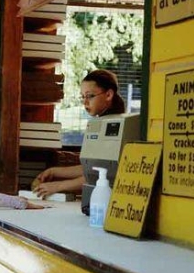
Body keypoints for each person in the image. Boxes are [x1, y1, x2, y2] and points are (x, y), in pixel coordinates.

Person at [33, 69, 126, 198]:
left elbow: (104, 173)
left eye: (90, 96)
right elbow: (92, 168)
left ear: (109, 95)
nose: (85, 102)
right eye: (83, 97)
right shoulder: (101, 123)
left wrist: (57, 186)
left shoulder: (116, 126)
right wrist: (54, 172)